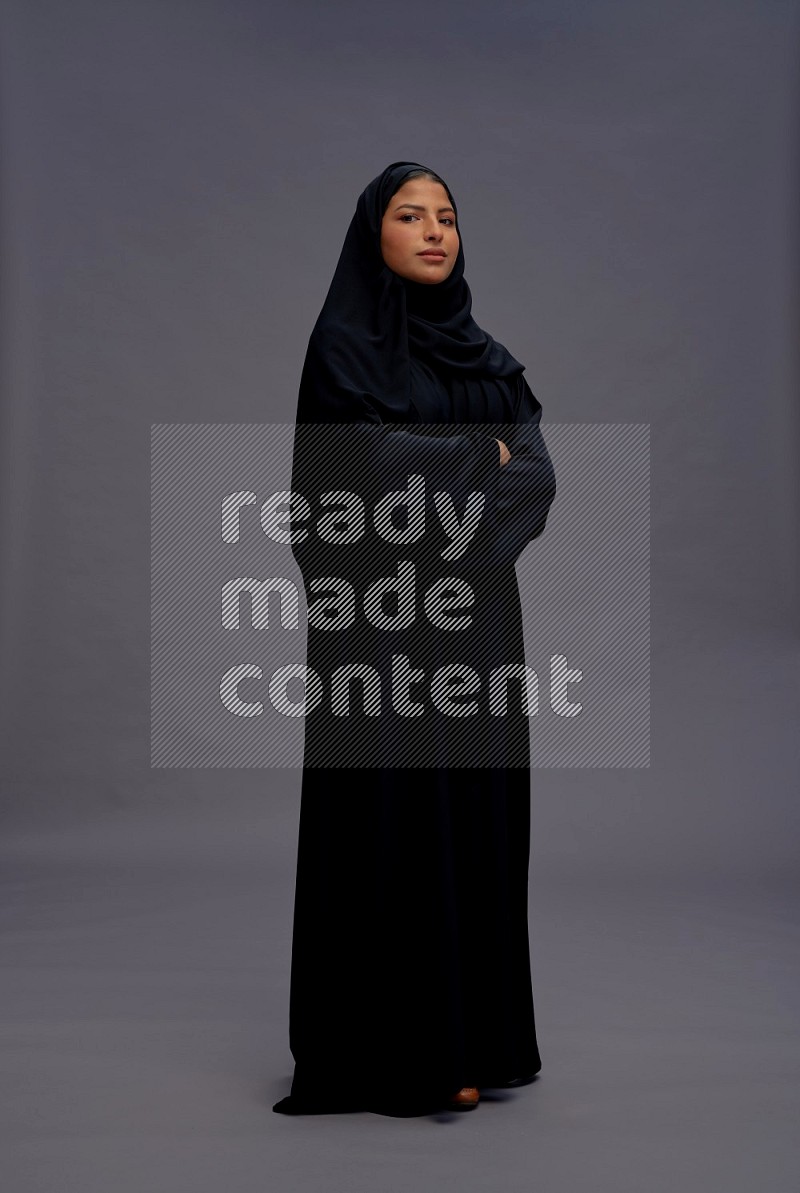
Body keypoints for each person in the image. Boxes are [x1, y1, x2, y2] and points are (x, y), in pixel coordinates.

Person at [272, 161, 556, 1117]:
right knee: (395, 825)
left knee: (476, 823)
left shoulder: (489, 358)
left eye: (448, 217)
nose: (434, 231)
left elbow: (539, 486)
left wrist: (453, 503)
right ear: (373, 235)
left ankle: (474, 1037)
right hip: (381, 634)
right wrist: (482, 456)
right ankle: (399, 1052)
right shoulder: (343, 352)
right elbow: (352, 481)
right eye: (410, 215)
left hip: (479, 633)